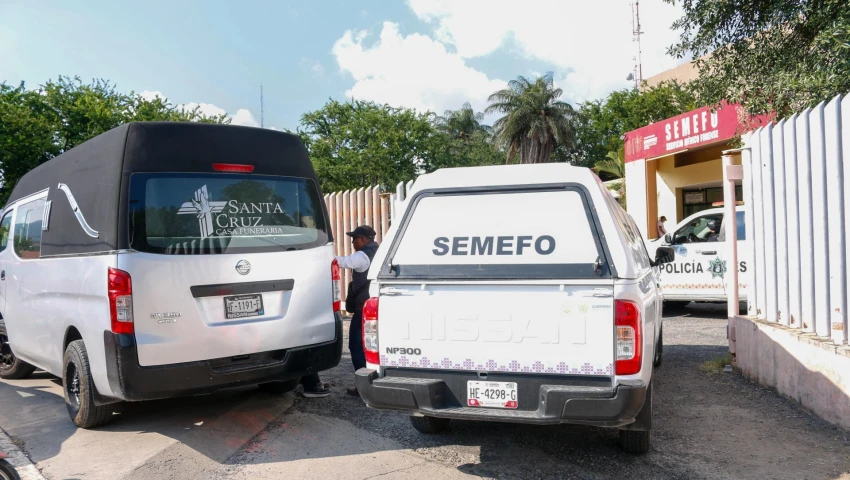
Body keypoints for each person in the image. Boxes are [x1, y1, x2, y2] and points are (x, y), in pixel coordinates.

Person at [302, 225, 380, 397]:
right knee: (372, 347)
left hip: (363, 309)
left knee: (356, 346)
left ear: (363, 239)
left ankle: (364, 386)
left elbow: (342, 262)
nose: (352, 242)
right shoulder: (378, 251)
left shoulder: (362, 255)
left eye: (354, 239)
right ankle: (375, 383)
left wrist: (320, 257)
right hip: (375, 306)